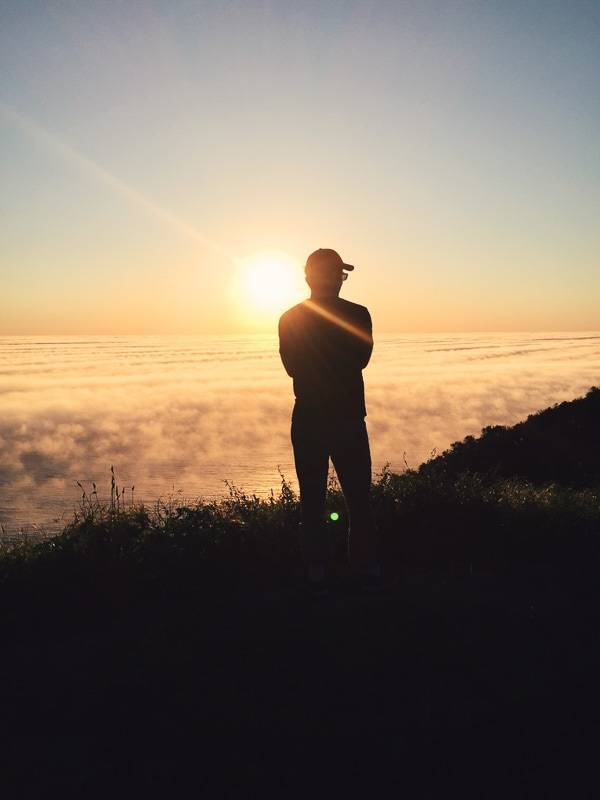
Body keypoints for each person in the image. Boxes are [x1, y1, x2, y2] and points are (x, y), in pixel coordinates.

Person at [278, 248, 381, 593]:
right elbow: (361, 359)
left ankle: (317, 569)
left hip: (309, 416)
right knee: (358, 498)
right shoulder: (358, 314)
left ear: (308, 277)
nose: (339, 280)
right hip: (348, 416)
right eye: (338, 274)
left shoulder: (290, 318)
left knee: (313, 499)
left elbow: (293, 366)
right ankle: (364, 566)